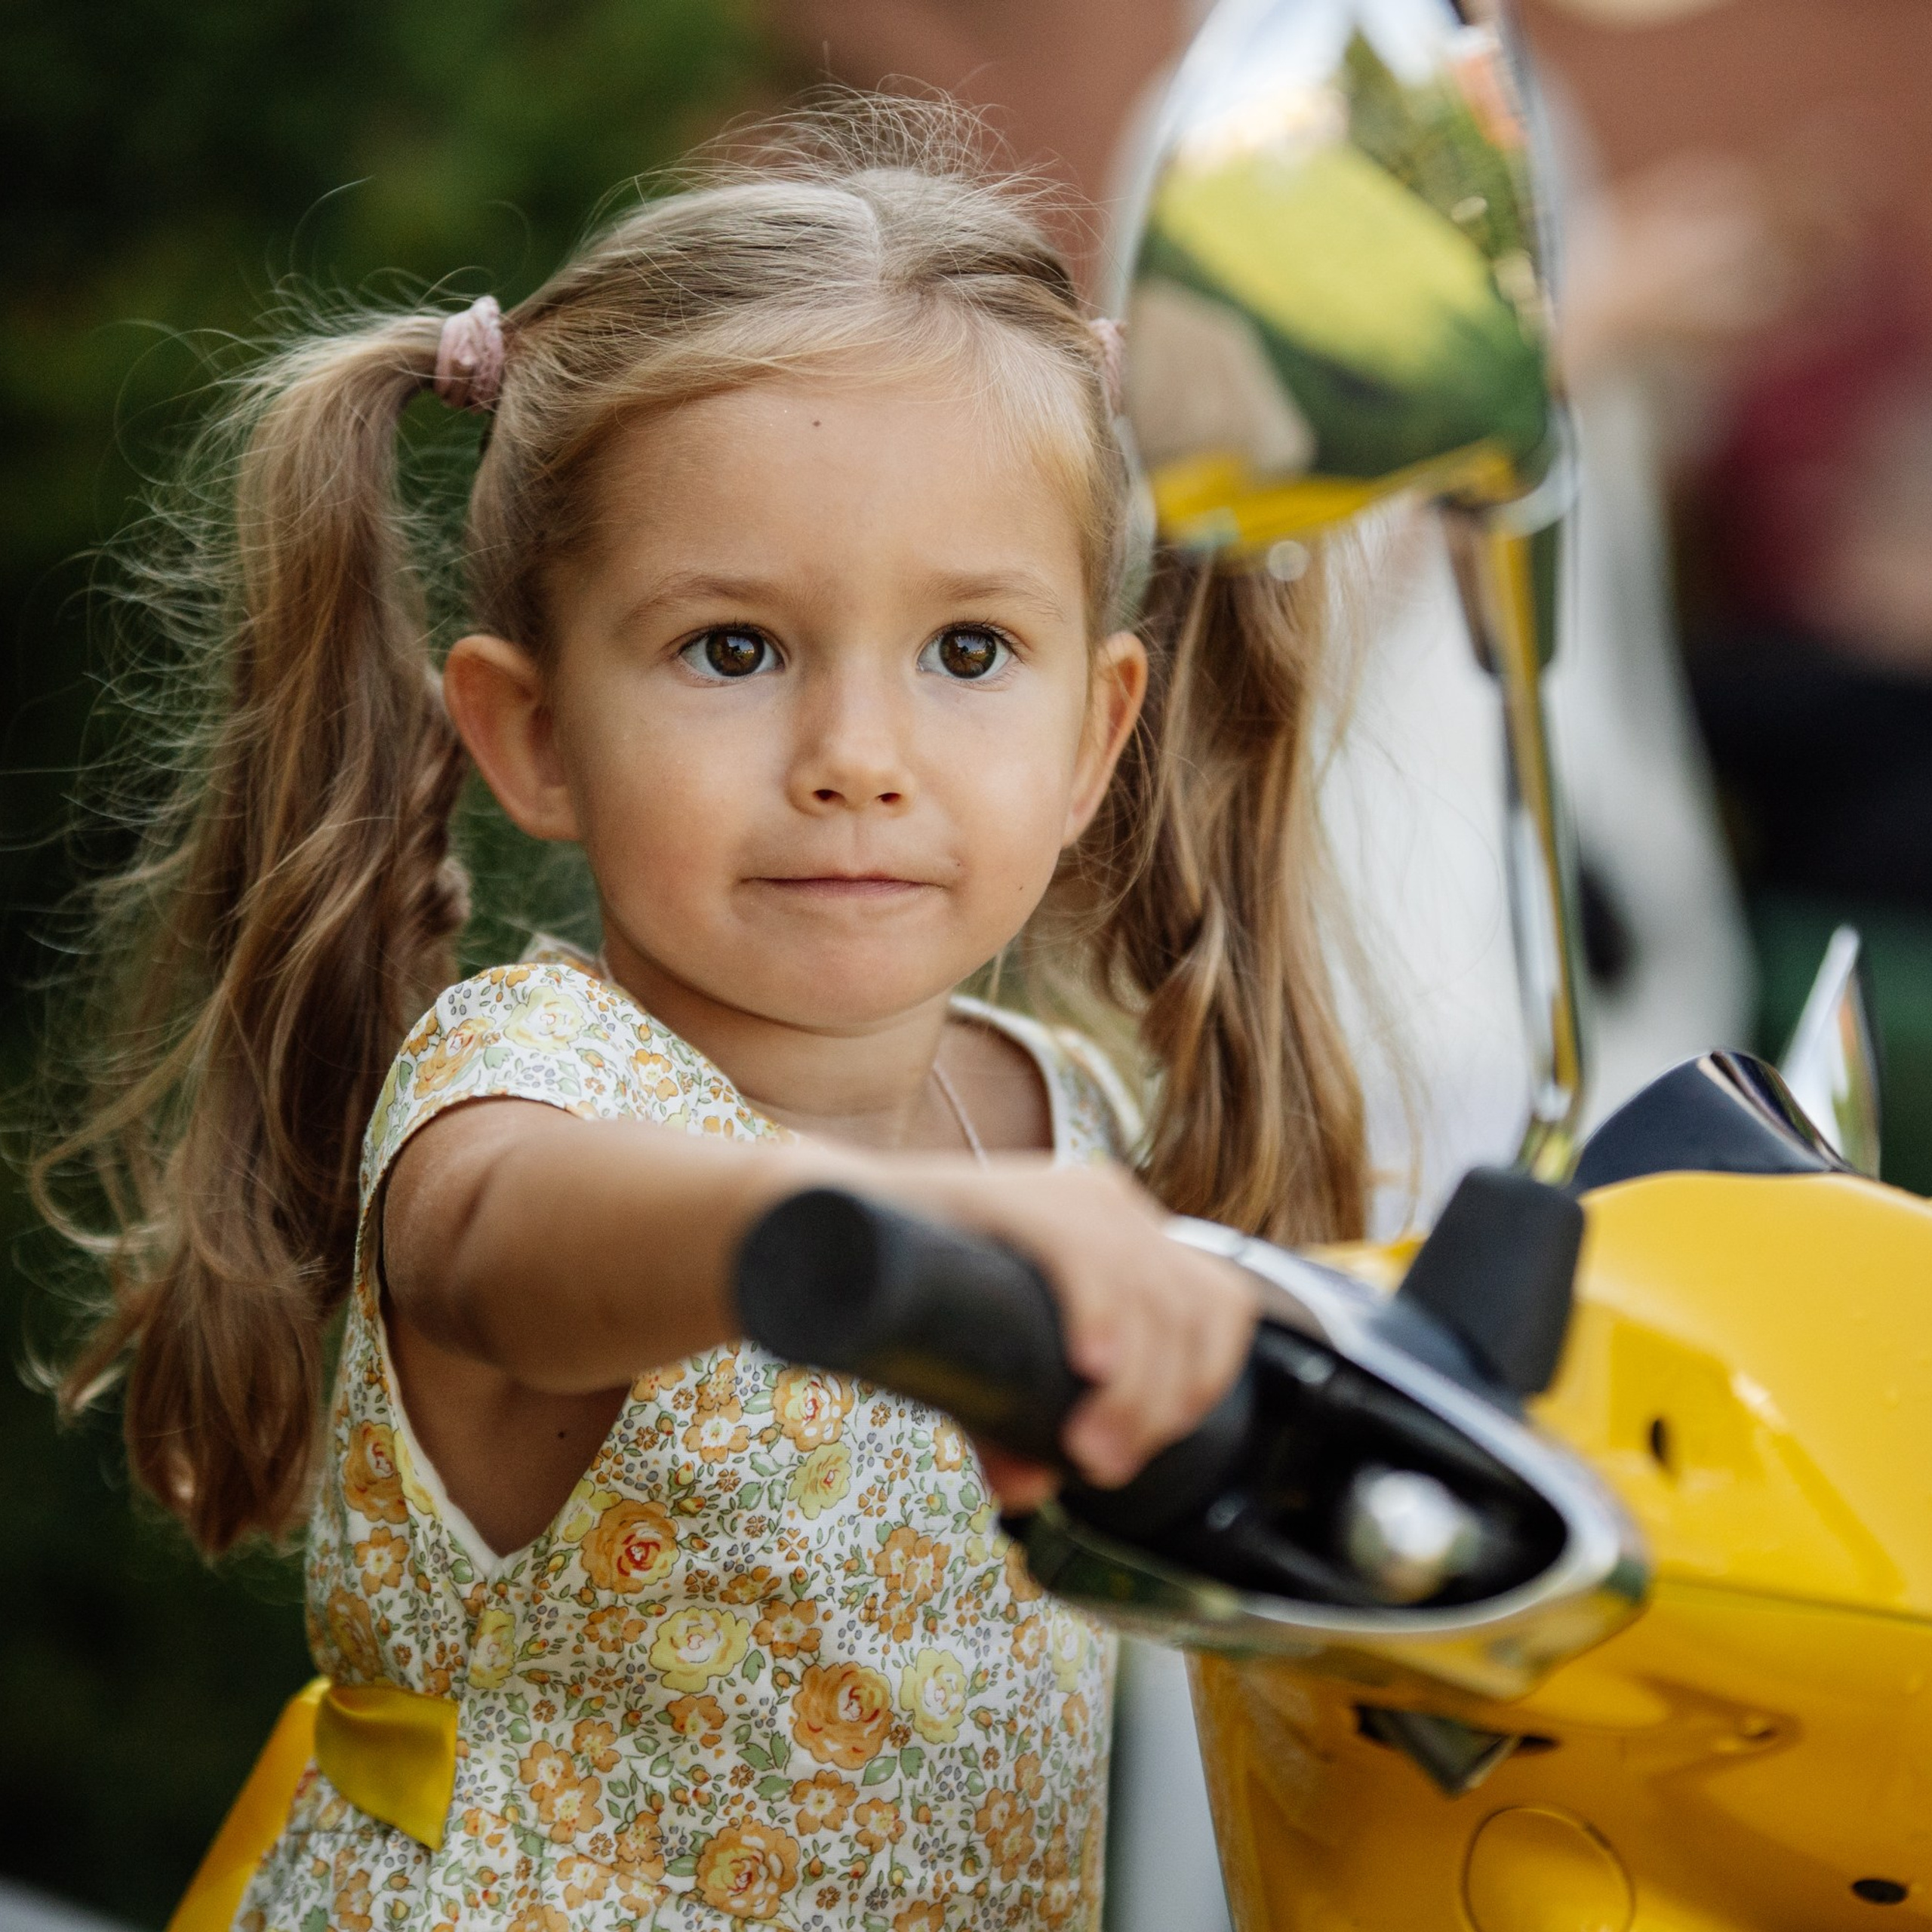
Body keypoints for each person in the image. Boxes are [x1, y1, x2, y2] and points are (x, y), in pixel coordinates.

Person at [34, 103, 1367, 1932]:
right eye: (730, 648)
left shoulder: (1061, 1118)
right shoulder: (521, 1104)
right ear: (531, 734)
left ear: (1095, 734)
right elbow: (529, 1250)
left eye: (967, 650)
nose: (854, 761)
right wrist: (895, 1234)